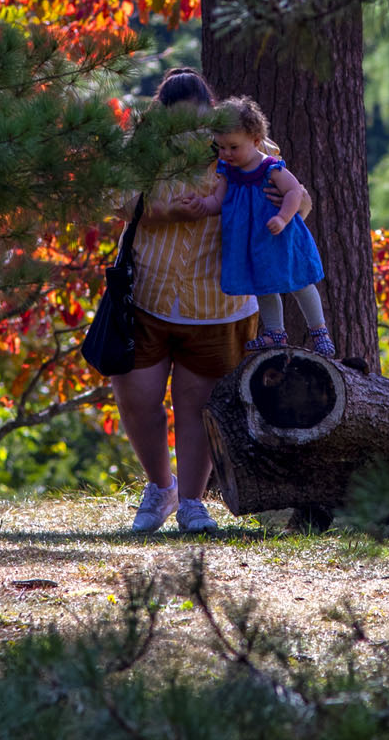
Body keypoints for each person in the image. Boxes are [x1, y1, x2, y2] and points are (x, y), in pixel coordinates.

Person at [112, 67, 310, 534]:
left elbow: (300, 201)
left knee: (194, 405)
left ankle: (192, 503)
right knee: (137, 398)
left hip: (219, 302)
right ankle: (159, 488)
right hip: (146, 294)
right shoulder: (142, 148)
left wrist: (277, 210)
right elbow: (115, 196)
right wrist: (162, 212)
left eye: (198, 124)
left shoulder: (246, 147)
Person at [207, 97, 331, 359]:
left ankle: (319, 331)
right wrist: (201, 204)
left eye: (233, 147)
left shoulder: (269, 168)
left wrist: (284, 218)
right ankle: (275, 332)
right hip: (253, 240)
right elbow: (218, 200)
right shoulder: (228, 171)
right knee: (263, 285)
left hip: (281, 236)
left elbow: (294, 192)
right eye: (221, 147)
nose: (227, 153)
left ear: (255, 140)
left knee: (300, 282)